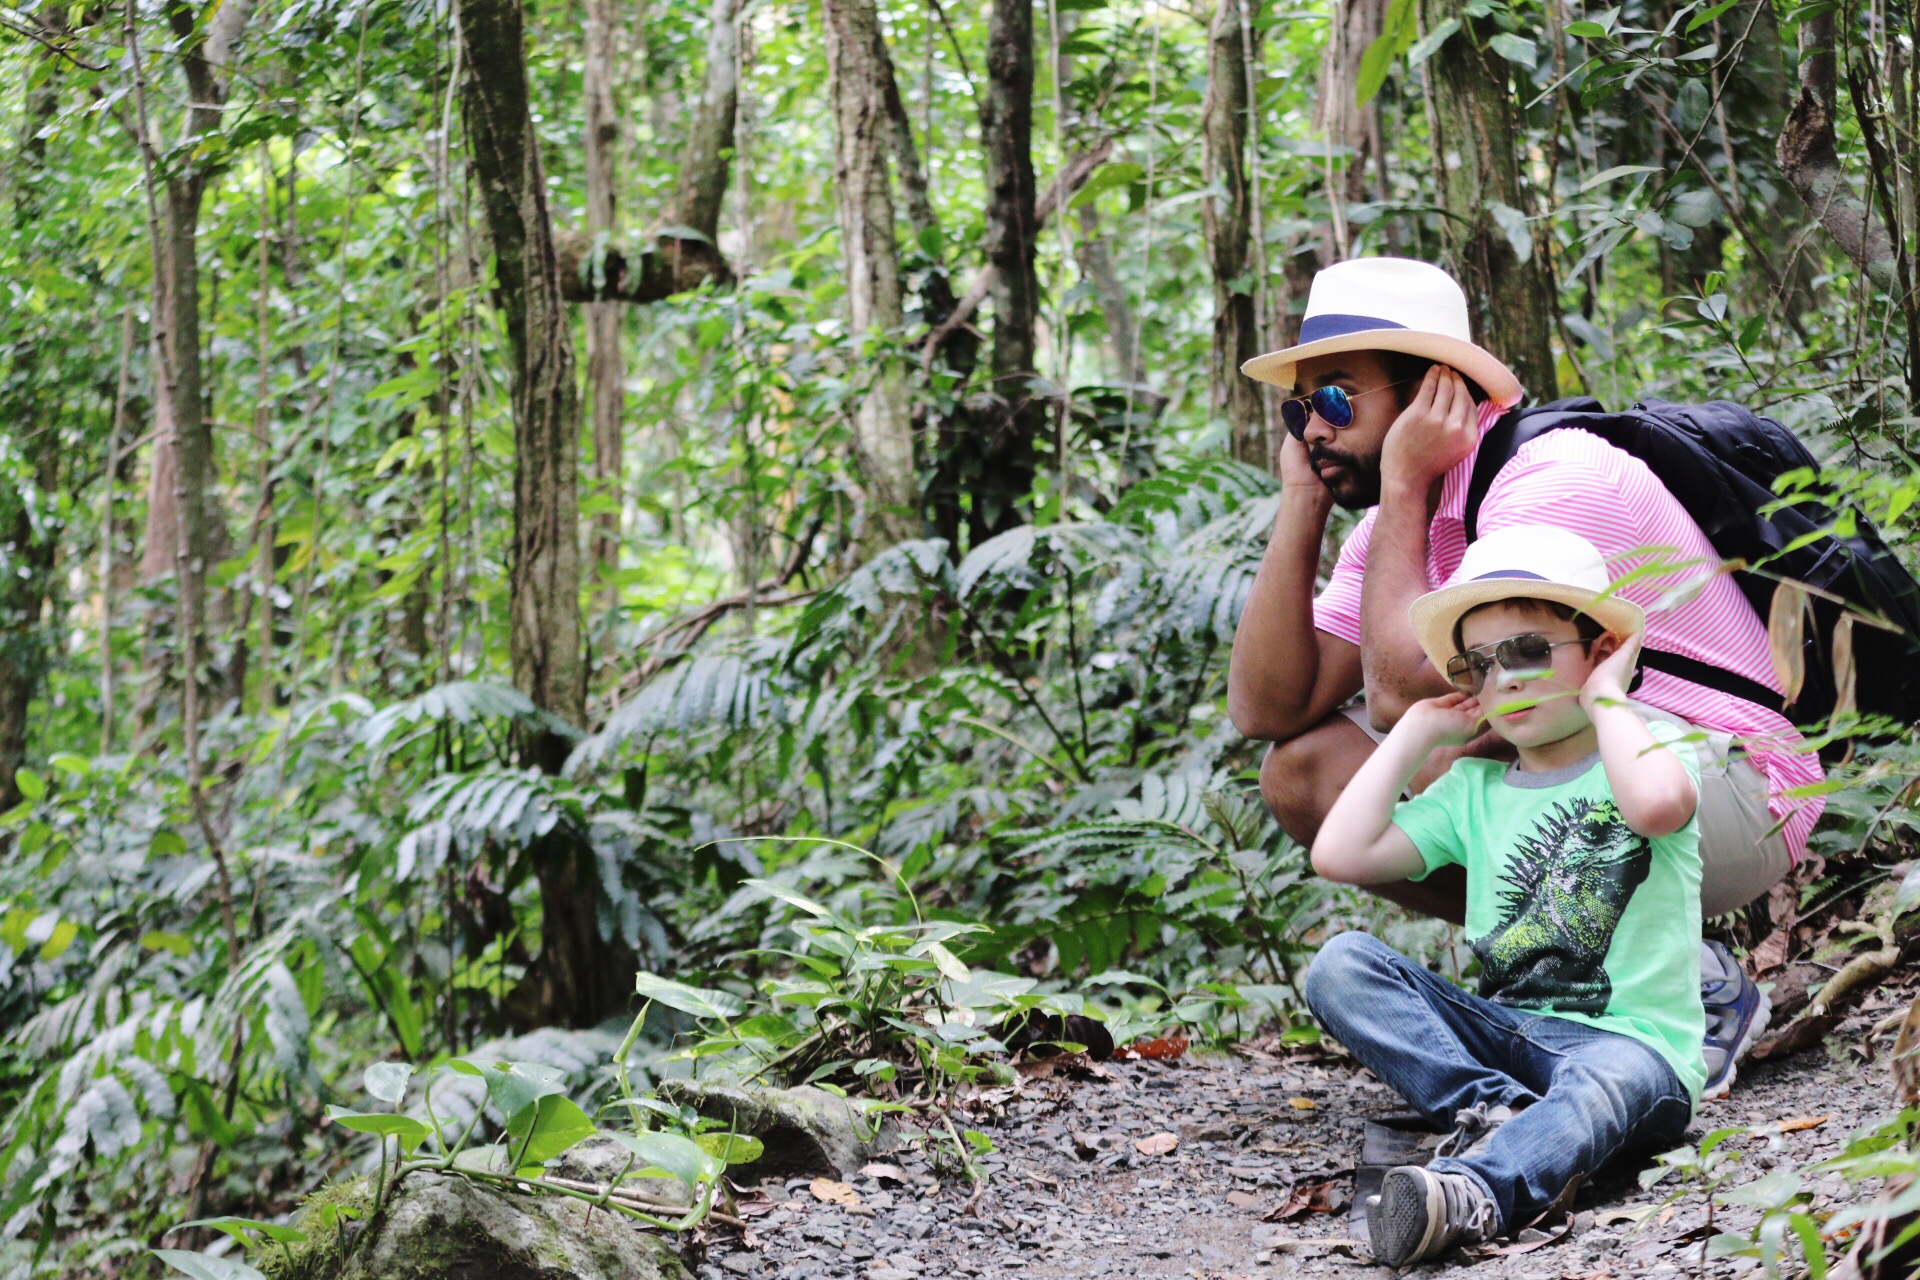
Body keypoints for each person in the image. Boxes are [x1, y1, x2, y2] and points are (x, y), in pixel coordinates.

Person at [1228, 256, 1819, 1096]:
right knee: (1303, 770)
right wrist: (1303, 502)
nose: (1312, 431)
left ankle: (1684, 983)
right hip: (1603, 782)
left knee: (1443, 755)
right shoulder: (1417, 511)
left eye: (1333, 399)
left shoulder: (1547, 477)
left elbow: (1401, 701)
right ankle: (1574, 987)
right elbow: (1266, 707)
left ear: (1432, 389)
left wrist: (1397, 486)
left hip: (1730, 789)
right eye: (1298, 409)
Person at [1304, 526, 1704, 1266]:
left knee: (1600, 1081)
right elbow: (1340, 853)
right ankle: (1502, 1113)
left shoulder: (1651, 750)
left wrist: (1610, 693)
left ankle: (1469, 1191)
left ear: (1600, 647)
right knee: (1339, 964)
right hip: (1512, 1037)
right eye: (1478, 664)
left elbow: (1654, 811)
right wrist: (1414, 734)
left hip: (1634, 1050)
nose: (1506, 679)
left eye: (1529, 650)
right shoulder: (1472, 789)